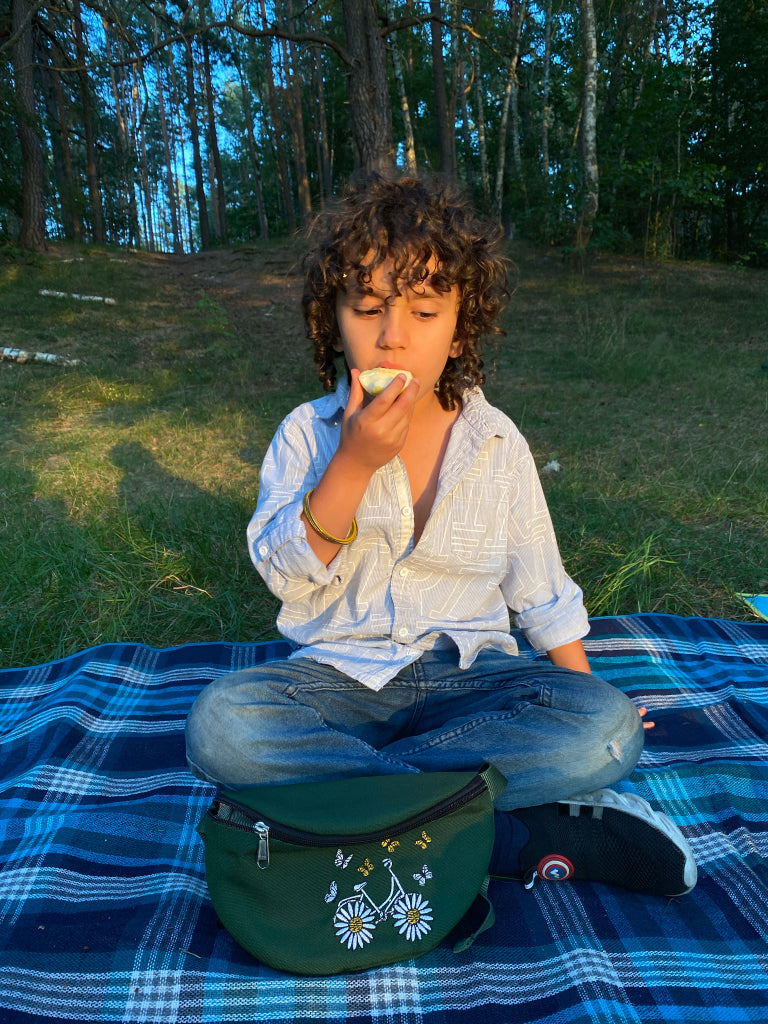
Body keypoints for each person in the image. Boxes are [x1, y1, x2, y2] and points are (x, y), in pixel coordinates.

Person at [186, 175, 696, 897]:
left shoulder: (494, 441)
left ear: (461, 327)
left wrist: (580, 701)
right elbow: (285, 574)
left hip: (473, 681)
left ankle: (341, 813)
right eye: (367, 308)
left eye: (424, 311)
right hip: (337, 683)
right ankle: (500, 831)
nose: (394, 334)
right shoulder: (307, 435)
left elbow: (540, 587)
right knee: (223, 727)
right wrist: (353, 463)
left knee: (607, 728)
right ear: (332, 320)